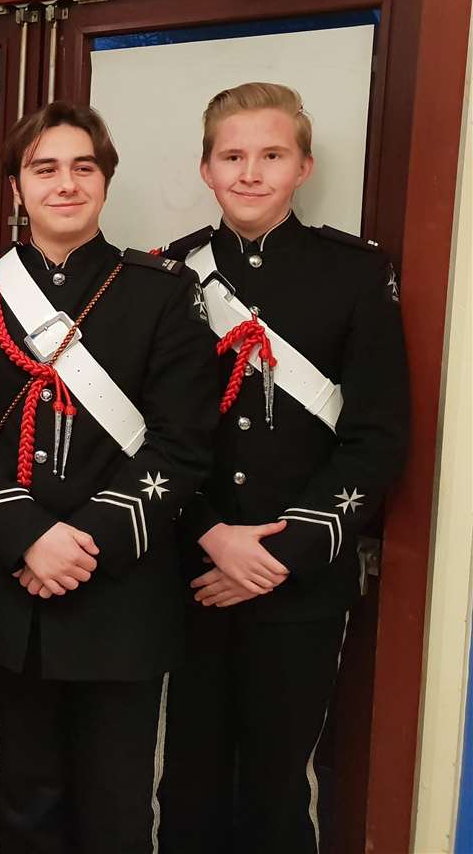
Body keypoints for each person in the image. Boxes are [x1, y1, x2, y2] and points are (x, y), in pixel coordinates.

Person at [0, 101, 218, 854]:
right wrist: (29, 539)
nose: (66, 184)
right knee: (22, 798)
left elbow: (183, 445)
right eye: (44, 168)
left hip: (123, 591)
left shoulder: (161, 291)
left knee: (118, 804)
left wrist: (80, 542)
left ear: (105, 181)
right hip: (10, 590)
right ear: (17, 190)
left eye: (83, 167)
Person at [156, 83, 409, 853]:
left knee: (277, 789)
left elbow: (377, 439)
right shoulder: (171, 275)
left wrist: (276, 553)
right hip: (188, 574)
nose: (250, 172)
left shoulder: (356, 275)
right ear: (206, 168)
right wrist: (210, 537)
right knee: (184, 783)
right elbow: (151, 434)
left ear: (302, 167)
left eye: (272, 155)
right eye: (232, 156)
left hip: (297, 582)